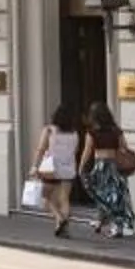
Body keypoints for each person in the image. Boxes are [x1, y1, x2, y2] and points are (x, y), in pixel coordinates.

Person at [81, 102, 135, 239]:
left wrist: (81, 167)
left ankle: (111, 224)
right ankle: (106, 221)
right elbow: (124, 147)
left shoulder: (92, 133)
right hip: (115, 166)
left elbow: (87, 152)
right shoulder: (116, 131)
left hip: (100, 166)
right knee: (116, 196)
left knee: (101, 194)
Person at [31, 101, 86, 237]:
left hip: (51, 169)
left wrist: (34, 166)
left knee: (45, 197)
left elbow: (41, 149)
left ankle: (59, 218)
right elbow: (75, 151)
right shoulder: (74, 133)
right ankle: (63, 227)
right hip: (68, 169)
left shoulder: (49, 130)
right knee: (64, 199)